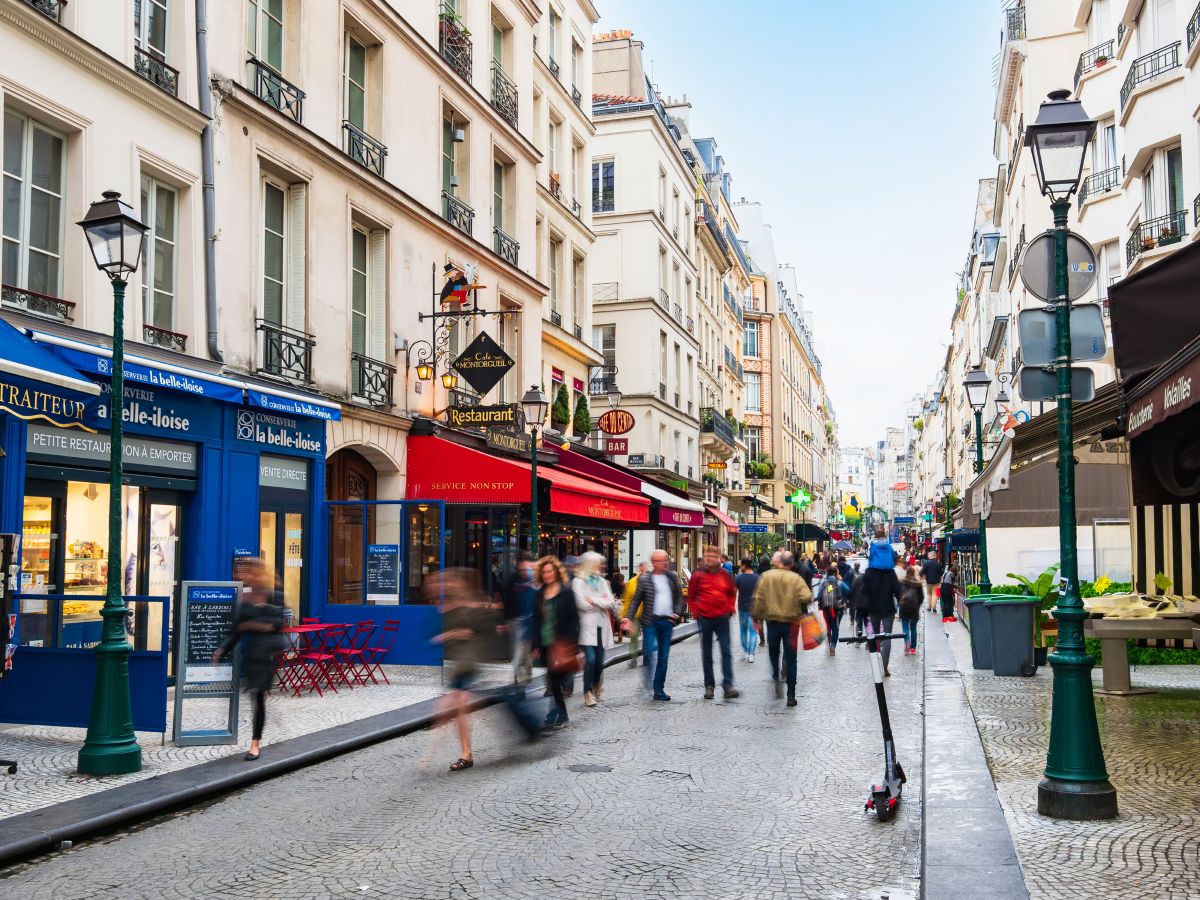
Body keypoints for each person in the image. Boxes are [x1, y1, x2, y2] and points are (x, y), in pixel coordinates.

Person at [212, 557, 285, 762]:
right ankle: (256, 738)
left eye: (251, 572)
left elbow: (274, 626)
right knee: (255, 696)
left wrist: (249, 625)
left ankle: (255, 743)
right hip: (252, 654)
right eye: (246, 573)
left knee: (258, 696)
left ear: (261, 574)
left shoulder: (275, 596)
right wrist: (222, 650)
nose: (247, 576)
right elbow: (236, 630)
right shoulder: (245, 601)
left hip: (267, 656)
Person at [751, 550, 812, 707]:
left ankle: (776, 675)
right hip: (791, 623)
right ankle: (791, 695)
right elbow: (807, 596)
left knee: (774, 651)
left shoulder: (766, 577)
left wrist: (756, 617)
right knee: (791, 658)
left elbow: (757, 599)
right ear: (791, 564)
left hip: (772, 622)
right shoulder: (796, 578)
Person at [623, 549, 685, 701]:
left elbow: (679, 598)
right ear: (653, 563)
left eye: (665, 560)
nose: (663, 563)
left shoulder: (672, 577)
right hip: (650, 621)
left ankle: (658, 689)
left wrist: (677, 613)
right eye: (659, 560)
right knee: (649, 652)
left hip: (667, 622)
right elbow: (636, 600)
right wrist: (628, 618)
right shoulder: (645, 580)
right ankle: (648, 682)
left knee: (663, 658)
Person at [531, 556, 580, 729]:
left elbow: (574, 619)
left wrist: (572, 644)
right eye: (544, 572)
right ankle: (561, 713)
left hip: (562, 643)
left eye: (550, 571)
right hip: (546, 641)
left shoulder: (566, 592)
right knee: (553, 680)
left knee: (555, 680)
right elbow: (536, 620)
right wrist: (535, 644)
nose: (547, 575)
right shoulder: (540, 593)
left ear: (557, 572)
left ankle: (555, 713)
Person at [688, 546, 740, 700]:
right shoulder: (698, 574)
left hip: (722, 617)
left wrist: (730, 608)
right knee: (707, 653)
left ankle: (728, 685)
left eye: (713, 555)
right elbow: (691, 595)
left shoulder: (725, 575)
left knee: (726, 651)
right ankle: (709, 686)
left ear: (719, 557)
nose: (710, 557)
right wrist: (697, 612)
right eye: (707, 555)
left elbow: (732, 593)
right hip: (705, 618)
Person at [572, 552, 617, 708]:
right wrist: (601, 601)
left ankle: (597, 684)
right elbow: (581, 604)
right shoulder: (578, 582)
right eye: (599, 563)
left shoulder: (602, 581)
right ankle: (588, 691)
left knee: (599, 662)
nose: (602, 566)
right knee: (590, 659)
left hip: (601, 626)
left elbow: (611, 602)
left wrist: (594, 600)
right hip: (586, 627)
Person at [859, 559, 904, 676]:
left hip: (873, 608)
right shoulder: (890, 572)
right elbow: (898, 590)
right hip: (888, 608)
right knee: (887, 636)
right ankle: (884, 667)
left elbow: (863, 590)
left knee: (876, 636)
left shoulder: (869, 572)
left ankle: (876, 664)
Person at [500, 552, 536, 685]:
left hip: (533, 624)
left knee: (527, 654)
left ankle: (527, 671)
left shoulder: (536, 583)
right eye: (521, 569)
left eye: (527, 569)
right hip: (518, 623)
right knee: (519, 653)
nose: (524, 572)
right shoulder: (514, 581)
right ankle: (519, 681)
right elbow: (507, 601)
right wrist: (506, 621)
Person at [621, 561, 646, 667]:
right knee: (634, 636)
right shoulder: (631, 583)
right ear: (639, 569)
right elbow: (628, 600)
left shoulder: (649, 580)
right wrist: (625, 615)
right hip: (634, 614)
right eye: (642, 568)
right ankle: (633, 658)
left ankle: (646, 656)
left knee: (648, 635)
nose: (643, 570)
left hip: (646, 613)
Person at [815, 565, 844, 656]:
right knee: (835, 627)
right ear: (835, 573)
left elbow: (819, 595)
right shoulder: (838, 582)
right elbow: (845, 592)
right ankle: (833, 646)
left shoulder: (823, 582)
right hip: (836, 608)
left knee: (828, 625)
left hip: (825, 608)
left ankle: (829, 637)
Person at [735, 557, 760, 662]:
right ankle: (751, 654)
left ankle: (744, 651)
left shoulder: (739, 578)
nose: (741, 567)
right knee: (753, 631)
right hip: (754, 608)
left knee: (743, 630)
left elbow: (734, 592)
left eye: (741, 565)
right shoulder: (757, 578)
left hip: (742, 607)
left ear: (744, 566)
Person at [899, 565, 924, 655]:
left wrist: (900, 602)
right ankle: (913, 648)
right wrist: (918, 605)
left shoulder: (901, 582)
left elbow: (898, 594)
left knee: (905, 627)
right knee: (913, 628)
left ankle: (907, 644)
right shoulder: (918, 583)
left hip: (904, 607)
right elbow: (921, 597)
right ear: (914, 573)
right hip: (914, 608)